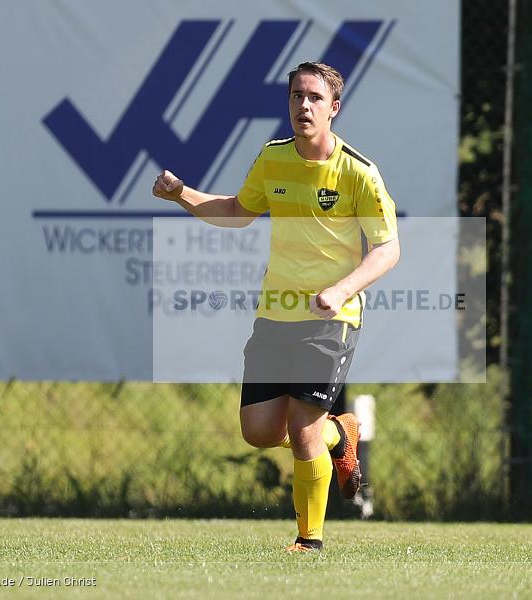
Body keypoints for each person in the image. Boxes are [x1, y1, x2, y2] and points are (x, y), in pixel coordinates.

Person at [152, 62, 400, 552]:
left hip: (332, 319)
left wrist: (342, 289)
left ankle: (309, 542)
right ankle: (340, 434)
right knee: (260, 432)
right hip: (275, 315)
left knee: (302, 429)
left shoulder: (358, 171)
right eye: (295, 96)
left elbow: (388, 248)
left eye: (313, 97)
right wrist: (182, 194)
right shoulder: (273, 159)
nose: (303, 106)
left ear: (334, 108)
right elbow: (237, 212)